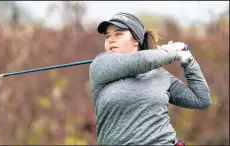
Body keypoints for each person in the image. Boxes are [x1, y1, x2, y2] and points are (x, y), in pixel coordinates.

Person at [89, 12, 211, 145]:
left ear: (136, 40)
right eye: (107, 36)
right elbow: (141, 60)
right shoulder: (100, 65)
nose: (111, 40)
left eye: (118, 34)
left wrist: (187, 59)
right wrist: (171, 52)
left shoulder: (159, 74)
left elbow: (201, 99)